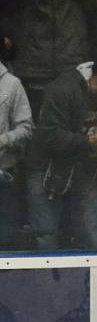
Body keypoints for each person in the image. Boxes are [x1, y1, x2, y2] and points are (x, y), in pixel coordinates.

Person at [26, 44, 97, 251]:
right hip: (46, 171)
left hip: (83, 170)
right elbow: (47, 135)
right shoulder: (64, 88)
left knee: (94, 240)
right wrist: (87, 142)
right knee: (47, 240)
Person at [0, 51, 33, 249]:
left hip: (4, 178)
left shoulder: (12, 84)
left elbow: (27, 128)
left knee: (4, 243)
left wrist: (4, 140)